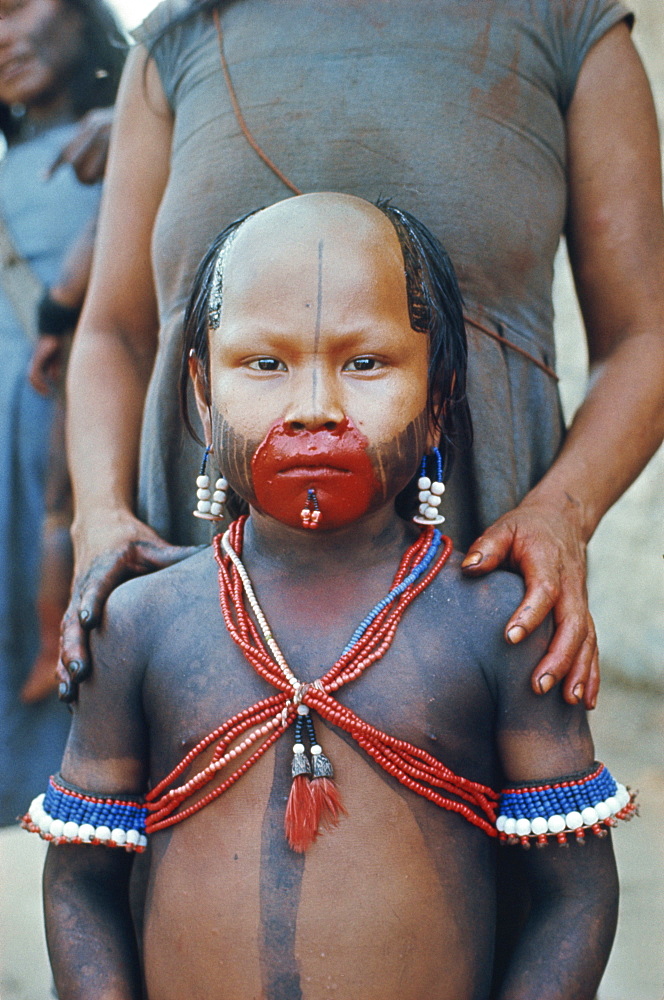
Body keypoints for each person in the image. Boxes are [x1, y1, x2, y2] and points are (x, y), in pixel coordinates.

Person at [25, 194, 636, 999]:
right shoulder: (138, 626)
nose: (315, 406)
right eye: (265, 364)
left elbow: (576, 896)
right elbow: (79, 889)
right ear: (203, 397)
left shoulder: (503, 625)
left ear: (439, 401)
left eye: (365, 363)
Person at [60, 0, 664, 715]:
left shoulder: (566, 23)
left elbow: (642, 337)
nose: (316, 406)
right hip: (194, 566)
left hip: (483, 571)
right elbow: (115, 334)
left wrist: (563, 513)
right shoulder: (177, 39)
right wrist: (97, 513)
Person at [0, 0, 127, 823]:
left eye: (14, 5)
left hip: (80, 440)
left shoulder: (141, 135)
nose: (3, 35)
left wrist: (146, 119)